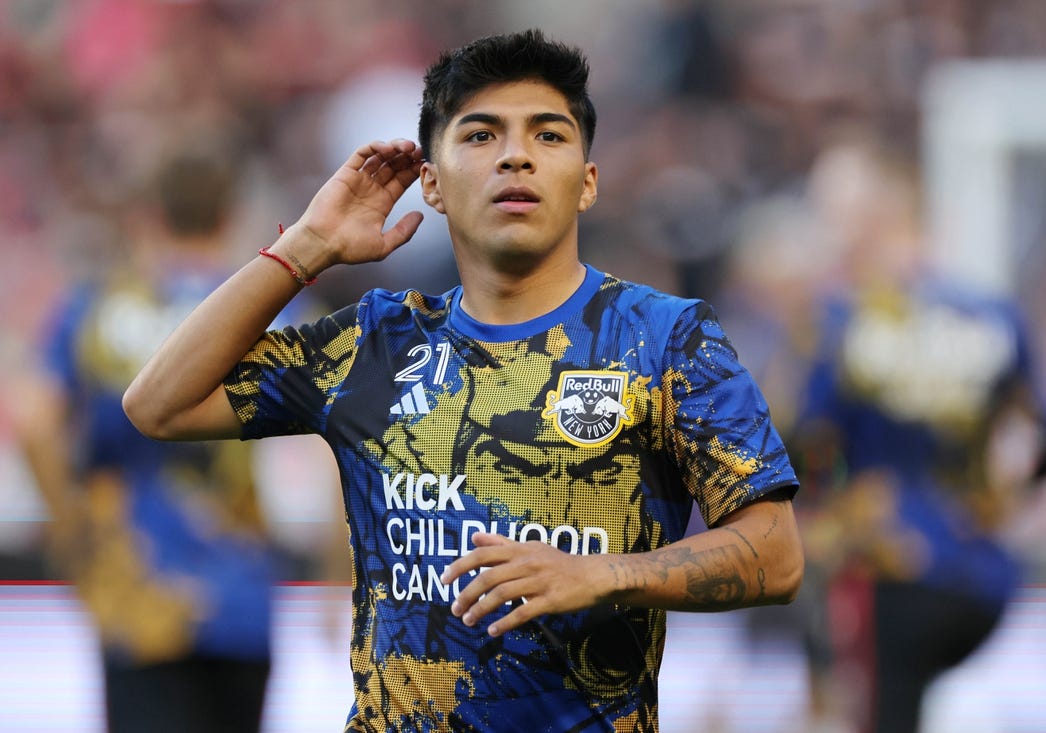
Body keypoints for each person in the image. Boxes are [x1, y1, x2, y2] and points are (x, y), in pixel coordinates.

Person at [123, 29, 804, 732]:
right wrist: (306, 246)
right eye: (480, 136)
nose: (515, 154)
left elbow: (777, 556)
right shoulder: (375, 341)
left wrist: (603, 574)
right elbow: (158, 403)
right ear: (431, 183)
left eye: (548, 135)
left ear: (588, 181)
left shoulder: (664, 337)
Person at [791, 133, 1046, 733]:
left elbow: (795, 445)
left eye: (833, 211)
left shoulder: (843, 317)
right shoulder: (991, 311)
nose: (827, 230)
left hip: (888, 565)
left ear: (876, 214)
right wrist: (998, 500)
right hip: (985, 578)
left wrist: (820, 520)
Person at [13, 142, 278, 733]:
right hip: (241, 591)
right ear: (230, 216)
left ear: (147, 216)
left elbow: (33, 420)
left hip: (137, 587)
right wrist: (341, 574)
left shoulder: (96, 308)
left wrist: (70, 531)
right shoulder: (266, 310)